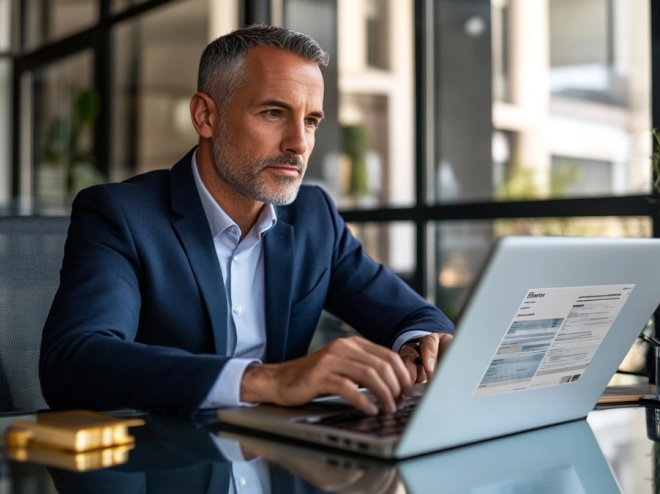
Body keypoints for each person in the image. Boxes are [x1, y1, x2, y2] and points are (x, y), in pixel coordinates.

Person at [40, 25, 454, 420]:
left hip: (283, 458)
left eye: (311, 121)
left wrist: (423, 344)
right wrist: (266, 380)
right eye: (274, 113)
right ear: (205, 116)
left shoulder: (314, 217)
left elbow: (413, 317)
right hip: (169, 463)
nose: (299, 143)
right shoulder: (121, 214)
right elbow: (75, 359)